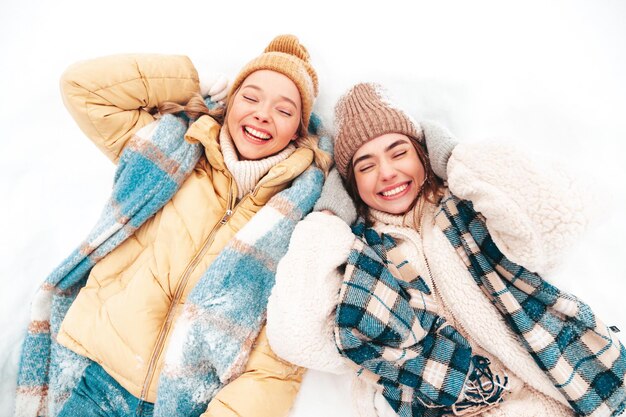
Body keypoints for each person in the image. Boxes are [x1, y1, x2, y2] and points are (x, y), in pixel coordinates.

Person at [15, 34, 331, 417]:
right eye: (250, 97)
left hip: (183, 407)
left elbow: (278, 351)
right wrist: (192, 82)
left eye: (284, 110)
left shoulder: (300, 215)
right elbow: (82, 88)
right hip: (95, 384)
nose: (263, 114)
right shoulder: (166, 150)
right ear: (228, 102)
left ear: (298, 129)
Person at [267, 83, 626, 417]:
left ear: (424, 155)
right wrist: (328, 220)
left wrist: (458, 160)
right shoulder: (359, 256)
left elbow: (557, 221)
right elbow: (296, 336)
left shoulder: (473, 205)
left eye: (399, 152)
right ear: (350, 184)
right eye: (366, 165)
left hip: (568, 382)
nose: (388, 172)